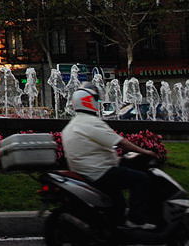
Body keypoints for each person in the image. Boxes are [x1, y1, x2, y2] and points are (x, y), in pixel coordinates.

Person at [61, 83, 158, 230]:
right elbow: (121, 142)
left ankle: (117, 224)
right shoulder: (90, 122)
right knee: (141, 179)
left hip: (86, 172)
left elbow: (94, 148)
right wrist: (146, 152)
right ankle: (136, 219)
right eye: (96, 99)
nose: (98, 102)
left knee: (118, 200)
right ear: (89, 100)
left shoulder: (72, 125)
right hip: (100, 172)